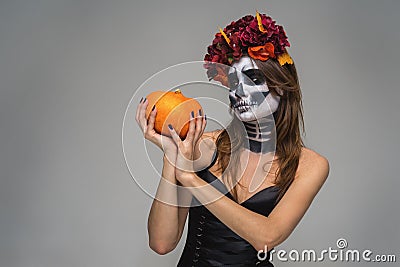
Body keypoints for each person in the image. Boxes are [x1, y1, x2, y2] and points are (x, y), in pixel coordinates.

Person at [136, 11, 329, 267]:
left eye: (253, 79)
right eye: (234, 81)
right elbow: (162, 244)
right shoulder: (205, 145)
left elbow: (267, 237)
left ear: (281, 85)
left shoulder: (310, 166)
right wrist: (171, 160)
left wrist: (190, 178)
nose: (240, 90)